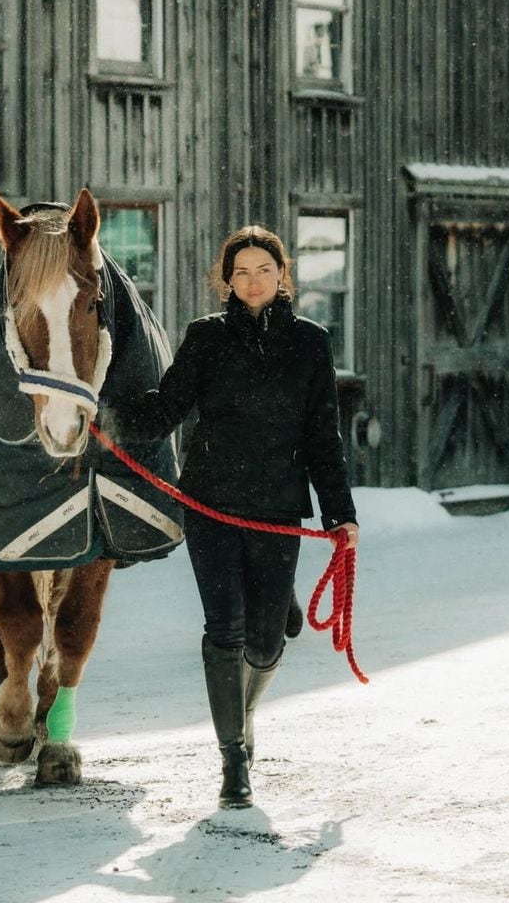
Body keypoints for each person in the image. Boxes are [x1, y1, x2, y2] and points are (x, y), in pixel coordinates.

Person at [120, 226, 358, 809]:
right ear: (226, 280)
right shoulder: (206, 337)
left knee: (266, 640)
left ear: (282, 275)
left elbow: (322, 436)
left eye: (264, 270)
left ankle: (244, 710)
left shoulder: (310, 343)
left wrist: (340, 513)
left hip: (278, 507)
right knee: (224, 628)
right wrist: (105, 410)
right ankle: (234, 758)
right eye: (242, 272)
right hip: (212, 505)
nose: (253, 282)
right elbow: (167, 409)